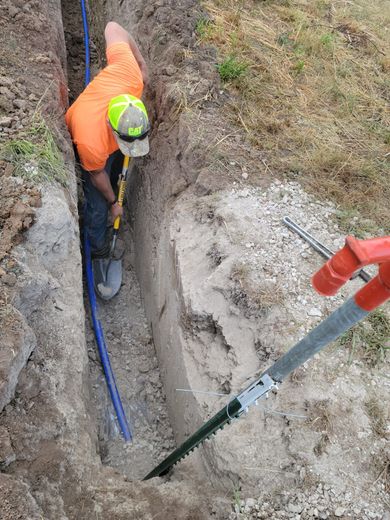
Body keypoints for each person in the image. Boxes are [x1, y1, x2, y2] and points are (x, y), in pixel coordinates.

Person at [66, 21, 150, 258]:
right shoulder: (90, 142)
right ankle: (97, 248)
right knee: (98, 205)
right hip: (90, 144)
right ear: (111, 129)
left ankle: (112, 188)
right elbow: (97, 175)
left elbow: (113, 28)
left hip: (107, 137)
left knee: (114, 167)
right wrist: (114, 202)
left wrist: (141, 65)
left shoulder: (131, 77)